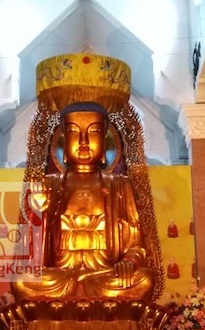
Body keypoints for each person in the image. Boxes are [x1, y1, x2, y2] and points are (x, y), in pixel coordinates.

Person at [12, 102, 154, 300]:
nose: (84, 141)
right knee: (21, 281)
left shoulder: (120, 185)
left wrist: (129, 262)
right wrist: (39, 214)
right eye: (73, 131)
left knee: (144, 280)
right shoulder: (48, 184)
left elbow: (135, 245)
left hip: (103, 275)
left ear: (105, 140)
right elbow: (34, 257)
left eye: (94, 132)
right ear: (63, 139)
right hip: (61, 276)